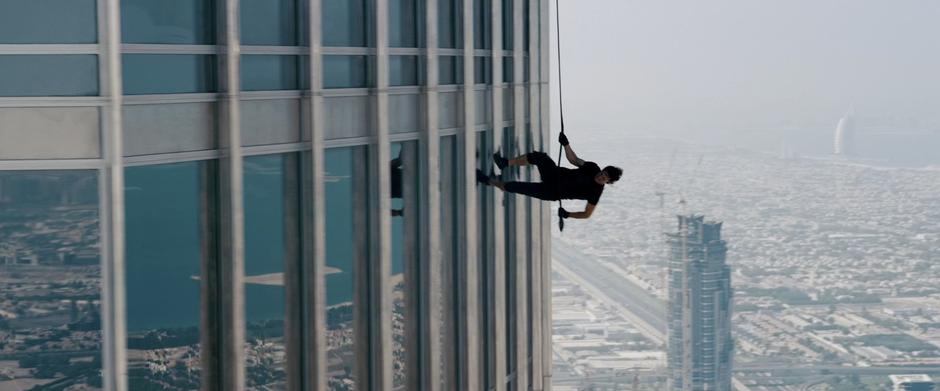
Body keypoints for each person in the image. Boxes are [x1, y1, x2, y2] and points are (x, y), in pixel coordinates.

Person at [476, 132, 622, 222]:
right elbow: (574, 160)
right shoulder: (592, 167)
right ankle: (505, 163)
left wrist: (568, 214)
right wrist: (566, 144)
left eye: (605, 177)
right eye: (603, 172)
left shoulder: (595, 193)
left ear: (608, 182)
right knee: (540, 157)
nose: (601, 176)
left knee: (513, 186)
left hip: (551, 191)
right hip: (554, 173)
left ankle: (489, 181)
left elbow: (586, 214)